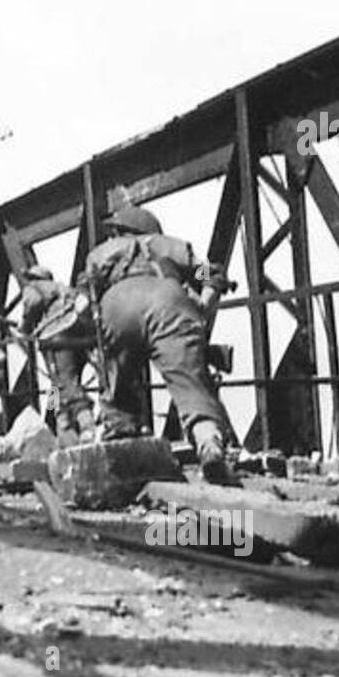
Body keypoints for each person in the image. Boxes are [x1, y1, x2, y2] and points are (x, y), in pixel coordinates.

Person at [81, 205, 237, 483]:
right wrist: (202, 307)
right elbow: (209, 275)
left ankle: (123, 452)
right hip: (168, 301)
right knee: (191, 386)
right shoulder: (170, 246)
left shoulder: (99, 254)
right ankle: (209, 447)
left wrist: (99, 339)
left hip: (117, 305)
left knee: (116, 393)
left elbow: (84, 303)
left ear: (120, 231)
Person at [19, 265, 95, 445]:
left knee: (63, 381)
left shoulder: (35, 287)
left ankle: (84, 423)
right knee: (58, 383)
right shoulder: (62, 288)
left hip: (55, 336)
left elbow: (33, 301)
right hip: (75, 334)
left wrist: (24, 323)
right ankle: (61, 422)